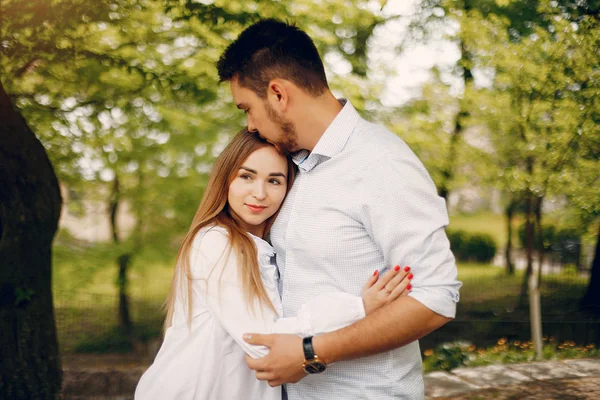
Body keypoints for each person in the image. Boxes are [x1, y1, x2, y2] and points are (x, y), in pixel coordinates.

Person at [217, 19, 462, 399]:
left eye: (247, 108)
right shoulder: (288, 168)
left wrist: (310, 353)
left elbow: (436, 297)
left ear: (278, 94)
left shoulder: (382, 164)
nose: (249, 125)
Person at [134, 129, 413, 399]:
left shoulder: (263, 251)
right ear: (225, 180)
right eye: (247, 176)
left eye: (274, 181)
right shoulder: (215, 243)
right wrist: (357, 308)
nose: (259, 193)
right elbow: (264, 343)